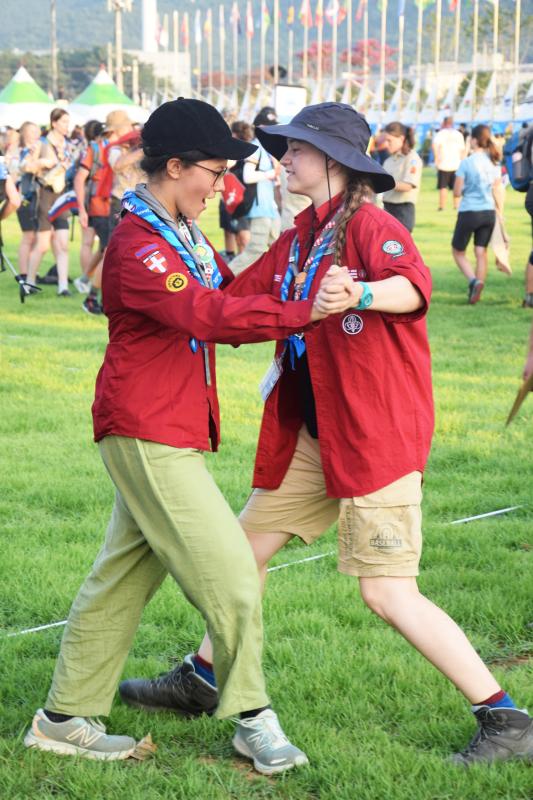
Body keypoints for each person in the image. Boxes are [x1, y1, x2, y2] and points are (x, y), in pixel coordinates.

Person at [122, 102, 533, 767]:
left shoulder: (369, 226)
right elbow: (231, 298)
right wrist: (170, 246)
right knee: (239, 552)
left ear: (335, 163)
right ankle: (202, 678)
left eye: (299, 150)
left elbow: (411, 285)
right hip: (315, 438)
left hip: (375, 437)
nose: (285, 161)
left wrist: (361, 295)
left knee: (385, 592)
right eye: (285, 150)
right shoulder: (296, 237)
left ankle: (505, 719)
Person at [23, 98, 355, 774]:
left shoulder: (181, 229)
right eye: (213, 171)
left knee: (118, 582)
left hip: (163, 428)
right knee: (233, 576)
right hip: (146, 431)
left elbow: (233, 289)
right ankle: (253, 720)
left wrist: (306, 253)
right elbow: (207, 314)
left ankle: (61, 720)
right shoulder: (139, 244)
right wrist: (302, 312)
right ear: (174, 167)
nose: (223, 186)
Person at [451, 124, 503, 305]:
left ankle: (473, 281)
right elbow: (497, 189)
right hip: (489, 211)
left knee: (458, 251)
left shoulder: (467, 162)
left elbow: (457, 192)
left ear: (473, 140)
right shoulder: (494, 161)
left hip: (469, 211)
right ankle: (479, 284)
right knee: (481, 251)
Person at [226, 107, 281, 276]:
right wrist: (270, 174)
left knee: (279, 248)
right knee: (256, 249)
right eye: (268, 126)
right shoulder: (256, 148)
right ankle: (224, 278)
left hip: (269, 207)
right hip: (259, 207)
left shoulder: (265, 148)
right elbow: (248, 176)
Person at [27, 108, 74, 296]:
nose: (66, 126)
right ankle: (29, 282)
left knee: (63, 243)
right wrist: (42, 163)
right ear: (54, 123)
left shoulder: (69, 145)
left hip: (62, 195)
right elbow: (26, 166)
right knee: (43, 244)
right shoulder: (42, 144)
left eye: (67, 122)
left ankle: (63, 286)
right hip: (45, 194)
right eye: (63, 122)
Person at [73, 120, 111, 315]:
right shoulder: (96, 149)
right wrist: (82, 209)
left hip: (110, 206)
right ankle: (92, 298)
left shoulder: (116, 148)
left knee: (105, 248)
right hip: (99, 206)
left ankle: (86, 279)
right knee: (109, 251)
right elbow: (79, 178)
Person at [381, 122, 423, 233]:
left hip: (402, 209)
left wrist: (385, 182)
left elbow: (408, 185)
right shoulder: (388, 160)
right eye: (385, 140)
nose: (386, 144)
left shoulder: (412, 158)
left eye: (389, 140)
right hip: (386, 207)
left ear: (401, 138)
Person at [13, 122, 41, 281]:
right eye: (31, 130)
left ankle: (31, 272)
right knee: (28, 236)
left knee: (37, 238)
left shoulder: (38, 149)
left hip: (38, 199)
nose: (35, 133)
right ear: (23, 133)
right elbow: (18, 170)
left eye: (36, 130)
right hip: (25, 199)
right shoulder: (21, 152)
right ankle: (23, 273)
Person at [432, 116, 466, 211]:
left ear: (444, 123)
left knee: (443, 186)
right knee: (456, 186)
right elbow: (462, 150)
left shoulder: (441, 133)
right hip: (456, 164)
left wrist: (436, 157)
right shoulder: (458, 134)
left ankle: (441, 206)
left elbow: (435, 145)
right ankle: (457, 206)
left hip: (443, 164)